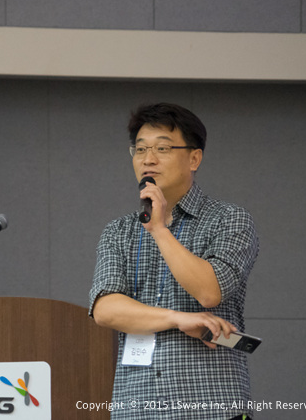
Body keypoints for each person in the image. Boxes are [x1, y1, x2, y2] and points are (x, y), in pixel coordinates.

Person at [89, 103, 259, 420]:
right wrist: (177, 319)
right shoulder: (119, 231)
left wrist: (159, 230)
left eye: (162, 148)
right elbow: (105, 309)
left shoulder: (229, 219)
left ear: (194, 158)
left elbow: (209, 291)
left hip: (210, 407)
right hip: (137, 407)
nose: (148, 159)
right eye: (140, 149)